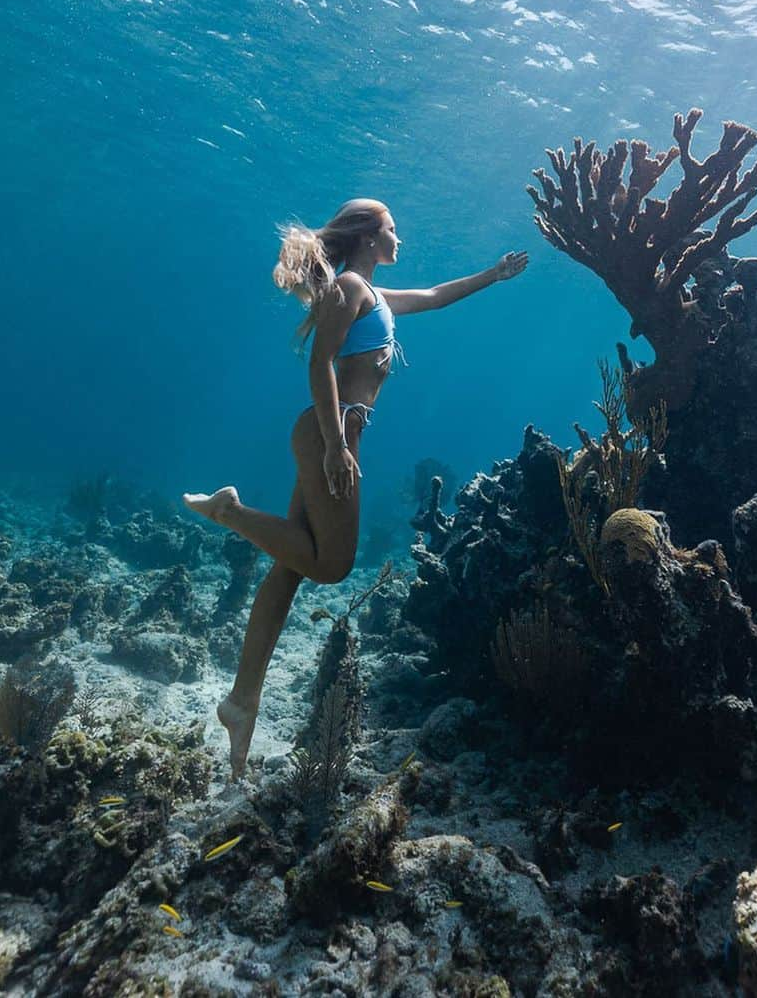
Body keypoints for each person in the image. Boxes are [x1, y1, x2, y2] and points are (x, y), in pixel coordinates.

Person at [182, 198, 528, 777]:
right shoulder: (349, 291)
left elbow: (436, 295)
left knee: (289, 569)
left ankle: (241, 704)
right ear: (369, 237)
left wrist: (492, 275)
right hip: (330, 440)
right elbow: (319, 364)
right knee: (333, 566)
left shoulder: (371, 294)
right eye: (392, 229)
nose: (400, 238)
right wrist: (338, 446)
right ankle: (231, 512)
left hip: (329, 437)